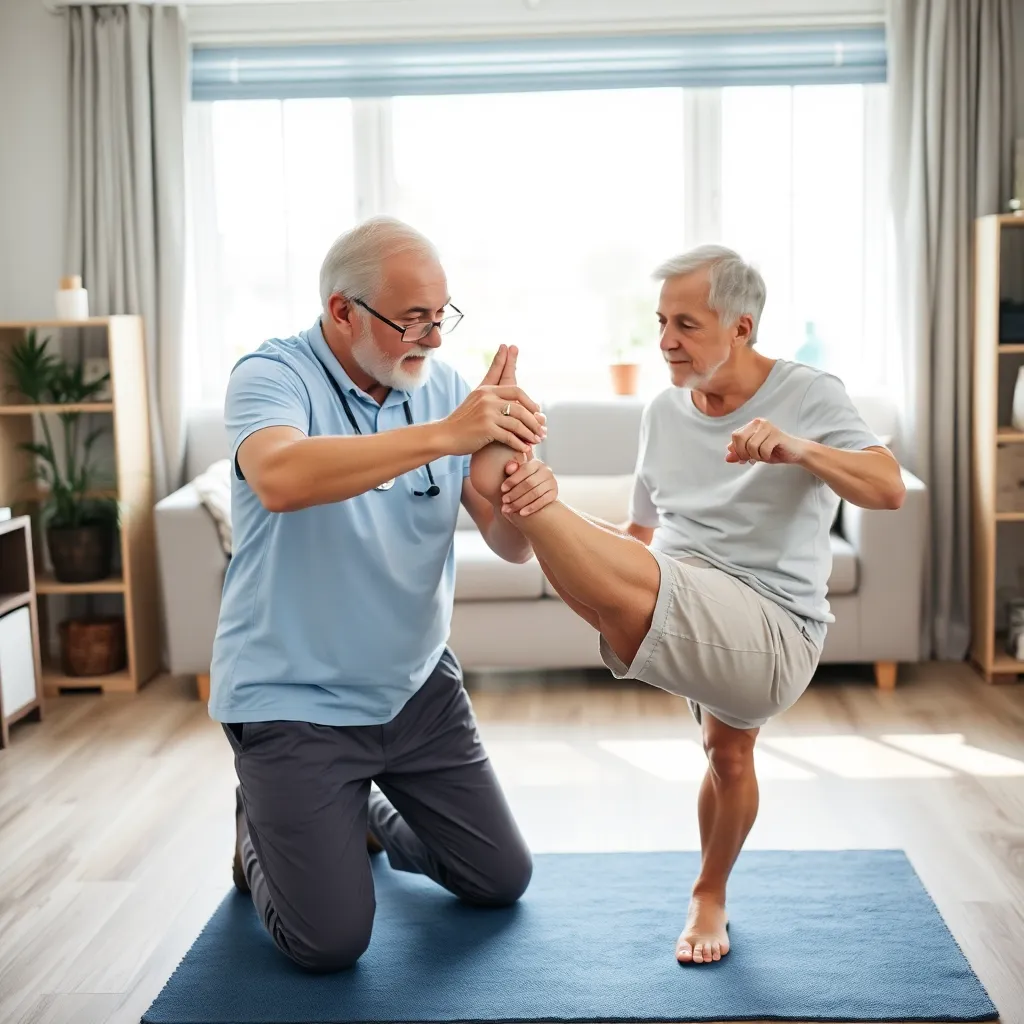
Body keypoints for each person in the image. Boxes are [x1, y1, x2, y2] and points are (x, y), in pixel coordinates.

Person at [467, 244, 906, 966]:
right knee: (725, 754)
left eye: (687, 324)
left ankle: (521, 482)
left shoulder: (809, 393)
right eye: (661, 321)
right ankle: (710, 891)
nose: (666, 339)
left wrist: (797, 450)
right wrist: (598, 564)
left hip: (773, 627)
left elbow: (887, 488)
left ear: (741, 326)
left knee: (711, 724)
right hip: (678, 592)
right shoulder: (664, 413)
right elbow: (640, 536)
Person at [209, 215, 556, 973]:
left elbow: (507, 541)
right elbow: (281, 478)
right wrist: (447, 436)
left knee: (500, 879)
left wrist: (525, 492)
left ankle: (359, 811)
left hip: (415, 692)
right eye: (413, 320)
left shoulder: (445, 391)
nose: (433, 340)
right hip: (293, 701)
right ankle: (257, 825)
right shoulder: (272, 376)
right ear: (342, 311)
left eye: (442, 316)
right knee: (330, 944)